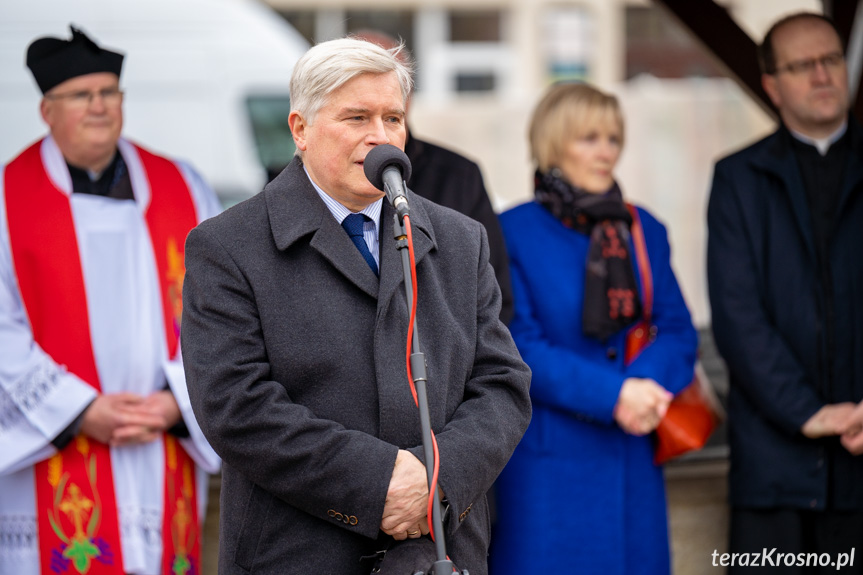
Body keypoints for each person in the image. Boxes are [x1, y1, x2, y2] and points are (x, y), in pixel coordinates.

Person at [180, 37, 532, 575]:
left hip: (437, 553)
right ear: (299, 129)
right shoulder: (227, 246)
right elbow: (236, 406)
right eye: (357, 117)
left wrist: (437, 480)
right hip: (295, 555)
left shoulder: (461, 239)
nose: (381, 137)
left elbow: (502, 384)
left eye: (394, 118)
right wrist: (379, 483)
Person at [0, 26, 221, 575]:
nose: (98, 106)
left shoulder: (184, 186)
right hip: (57, 442)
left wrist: (180, 400)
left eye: (109, 93)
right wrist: (77, 410)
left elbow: (224, 307)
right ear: (47, 110)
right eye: (81, 95)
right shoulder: (8, 198)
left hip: (160, 434)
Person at [489, 82, 698, 575]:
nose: (606, 152)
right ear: (553, 143)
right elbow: (518, 344)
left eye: (613, 138)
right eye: (589, 138)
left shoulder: (645, 228)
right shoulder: (509, 231)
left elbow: (677, 331)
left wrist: (643, 388)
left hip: (634, 453)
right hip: (548, 461)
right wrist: (615, 395)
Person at [707, 12, 863, 571]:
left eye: (831, 60)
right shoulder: (738, 178)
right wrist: (809, 412)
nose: (822, 75)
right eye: (803, 65)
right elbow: (737, 316)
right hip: (773, 470)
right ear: (772, 85)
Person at [350, 29, 514, 325]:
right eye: (358, 113)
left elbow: (494, 305)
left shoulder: (460, 176)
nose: (376, 134)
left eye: (389, 114)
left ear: (407, 98)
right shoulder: (295, 187)